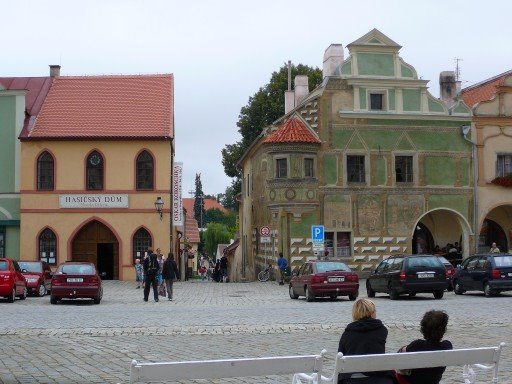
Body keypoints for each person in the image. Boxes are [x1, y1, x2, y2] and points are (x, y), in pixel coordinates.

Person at [338, 298, 395, 384]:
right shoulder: (382, 330)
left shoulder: (347, 333)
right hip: (378, 377)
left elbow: (341, 355)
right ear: (372, 313)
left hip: (351, 378)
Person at [395, 310, 452, 384]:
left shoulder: (417, 345)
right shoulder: (447, 346)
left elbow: (399, 355)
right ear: (443, 330)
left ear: (423, 329)